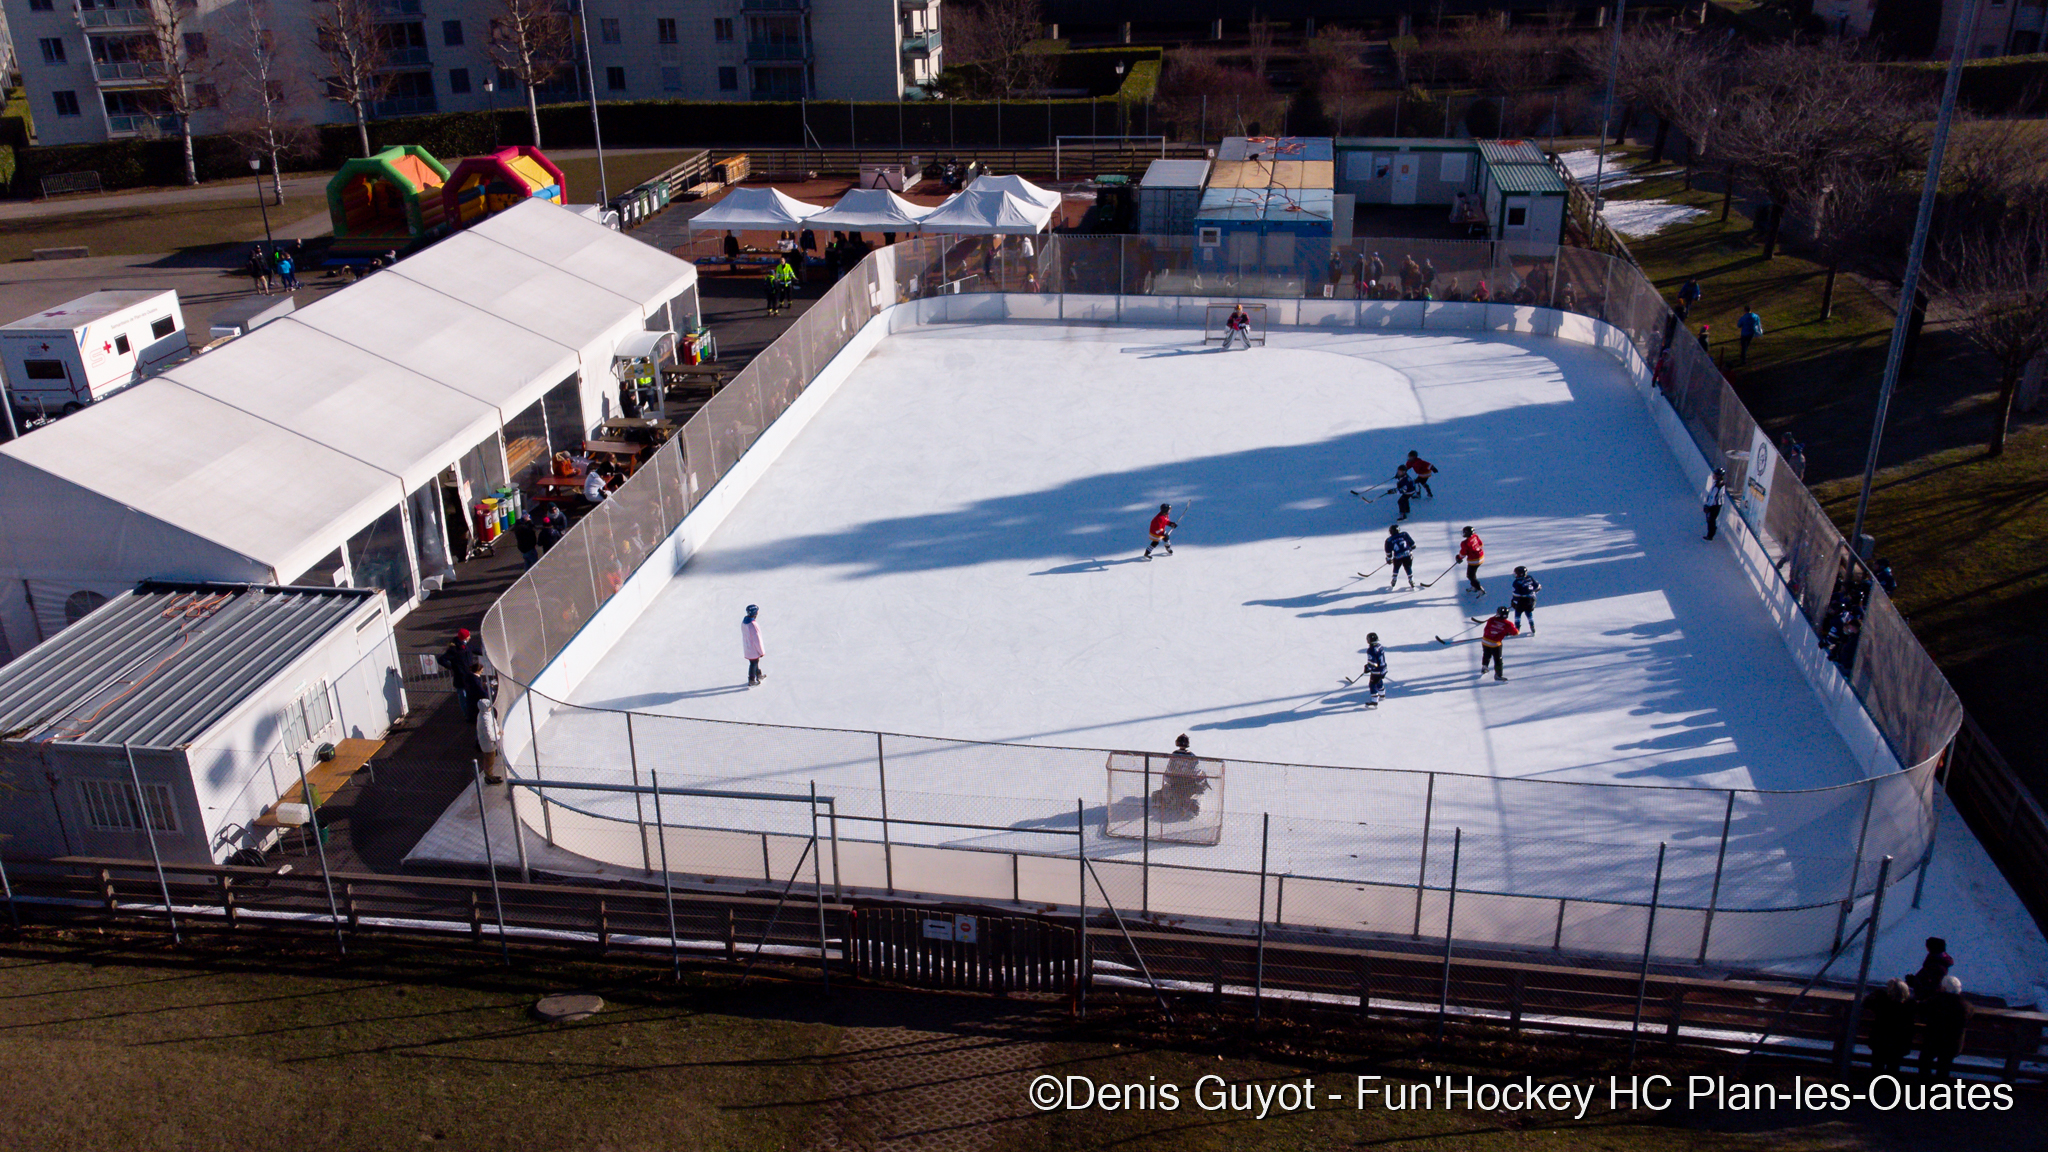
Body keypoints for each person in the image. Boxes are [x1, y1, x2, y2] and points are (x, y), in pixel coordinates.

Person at [1917, 975, 1970, 1080]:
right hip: (1953, 1044)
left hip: (1934, 1041)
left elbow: (1921, 1008)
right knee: (1944, 1066)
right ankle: (1940, 1090)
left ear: (1944, 988)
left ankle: (1925, 1086)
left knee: (1924, 1061)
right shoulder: (1965, 1006)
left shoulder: (1936, 1001)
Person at [1866, 978, 1916, 1077]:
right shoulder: (1909, 1005)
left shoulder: (1883, 1002)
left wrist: (1878, 992)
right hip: (1900, 1044)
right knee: (1893, 1066)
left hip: (1880, 1042)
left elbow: (1866, 1003)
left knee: (1877, 1065)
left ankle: (1875, 1084)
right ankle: (1890, 1087)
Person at [1156, 734, 1210, 821]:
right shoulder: (1191, 756)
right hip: (1189, 782)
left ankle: (1164, 800)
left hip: (1175, 781)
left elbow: (1169, 769)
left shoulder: (1174, 755)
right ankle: (1190, 806)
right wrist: (1201, 778)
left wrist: (1169, 778)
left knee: (1166, 788)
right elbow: (1196, 770)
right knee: (1198, 791)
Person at [1480, 606, 1518, 681]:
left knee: (1486, 654)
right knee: (1498, 659)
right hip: (1495, 644)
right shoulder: (1508, 624)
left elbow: (1486, 629)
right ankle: (1498, 675)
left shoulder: (1491, 619)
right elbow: (1515, 632)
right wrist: (1506, 632)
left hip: (1485, 641)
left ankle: (1484, 667)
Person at [475, 697, 503, 784]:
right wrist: (498, 735)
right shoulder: (485, 719)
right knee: (489, 761)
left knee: (489, 760)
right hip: (488, 745)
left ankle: (489, 775)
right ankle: (489, 777)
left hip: (488, 744)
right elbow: (489, 735)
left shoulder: (484, 715)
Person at [1510, 565, 1541, 634]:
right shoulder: (1529, 578)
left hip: (1521, 601)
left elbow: (1516, 594)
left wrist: (1514, 602)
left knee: (1517, 614)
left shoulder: (1516, 582)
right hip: (1531, 600)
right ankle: (1532, 626)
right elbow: (1537, 587)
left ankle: (1516, 628)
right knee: (1529, 613)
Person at [1359, 632, 1389, 705]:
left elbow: (1373, 663)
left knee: (1372, 684)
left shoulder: (1371, 650)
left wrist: (1368, 668)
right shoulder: (1380, 646)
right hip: (1383, 668)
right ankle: (1382, 694)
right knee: (1379, 680)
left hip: (1377, 670)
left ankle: (1374, 701)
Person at [1384, 523, 1416, 590]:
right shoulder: (1404, 534)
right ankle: (1411, 579)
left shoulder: (1389, 540)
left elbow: (1388, 552)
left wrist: (1389, 559)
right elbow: (1413, 545)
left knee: (1396, 567)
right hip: (1407, 554)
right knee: (1408, 567)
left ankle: (1394, 578)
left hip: (1398, 556)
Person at [742, 603, 767, 686]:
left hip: (747, 647)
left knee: (755, 662)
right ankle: (751, 680)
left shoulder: (744, 622)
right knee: (753, 663)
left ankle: (759, 675)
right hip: (753, 649)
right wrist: (761, 651)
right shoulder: (753, 625)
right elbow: (757, 640)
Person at [1457, 526, 1485, 595]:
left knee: (1470, 576)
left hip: (1474, 561)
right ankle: (1474, 586)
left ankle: (1479, 589)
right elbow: (1481, 544)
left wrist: (1459, 558)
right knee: (1473, 574)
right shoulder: (1475, 536)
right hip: (1481, 557)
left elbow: (1463, 553)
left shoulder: (1465, 543)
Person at [1701, 467, 1727, 540]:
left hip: (1714, 505)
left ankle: (1710, 535)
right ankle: (1712, 532)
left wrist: (1708, 506)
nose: (1713, 475)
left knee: (1711, 519)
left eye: (1715, 474)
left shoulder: (1717, 485)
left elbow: (1713, 497)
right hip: (1716, 505)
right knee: (1711, 519)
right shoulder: (1719, 483)